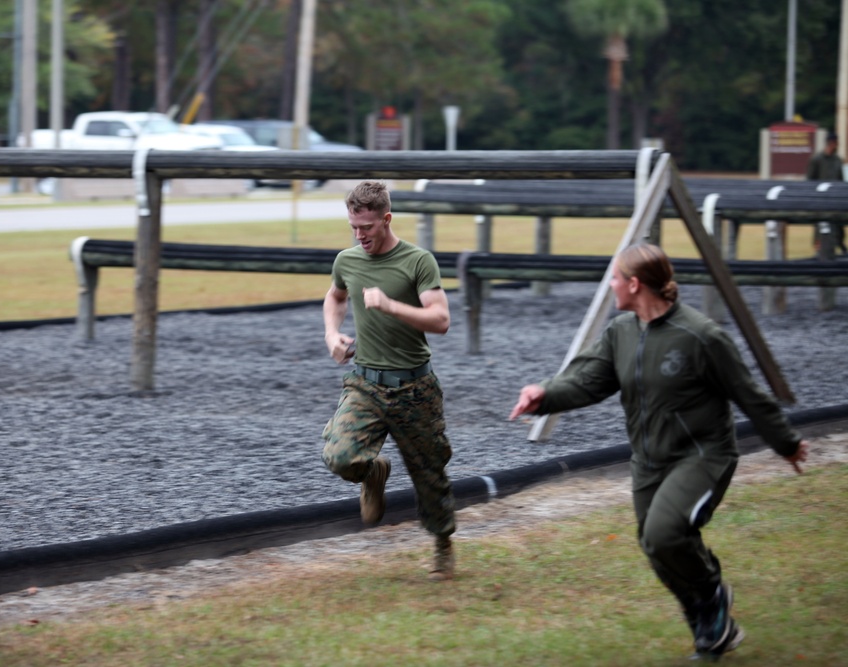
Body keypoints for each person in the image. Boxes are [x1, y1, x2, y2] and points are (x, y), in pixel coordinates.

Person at [508, 243, 808, 660]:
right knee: (656, 546)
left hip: (702, 455)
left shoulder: (701, 335)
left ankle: (711, 595)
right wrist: (544, 394)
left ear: (634, 284)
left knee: (665, 533)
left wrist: (787, 444)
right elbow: (589, 379)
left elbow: (749, 394)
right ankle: (707, 621)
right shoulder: (622, 332)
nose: (610, 284)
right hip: (649, 461)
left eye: (615, 277)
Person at [322, 180, 456, 581]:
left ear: (387, 219)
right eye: (353, 227)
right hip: (365, 383)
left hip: (415, 389)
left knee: (430, 474)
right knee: (339, 456)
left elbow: (441, 321)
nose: (359, 235)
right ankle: (373, 473)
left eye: (367, 227)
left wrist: (391, 305)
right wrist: (332, 335)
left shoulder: (418, 261)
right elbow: (336, 296)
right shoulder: (347, 259)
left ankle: (443, 545)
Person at [806, 132, 846, 255]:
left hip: (834, 200)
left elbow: (840, 180)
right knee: (821, 227)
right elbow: (810, 180)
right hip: (820, 200)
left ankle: (839, 246)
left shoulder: (837, 160)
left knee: (838, 227)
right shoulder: (817, 159)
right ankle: (819, 250)